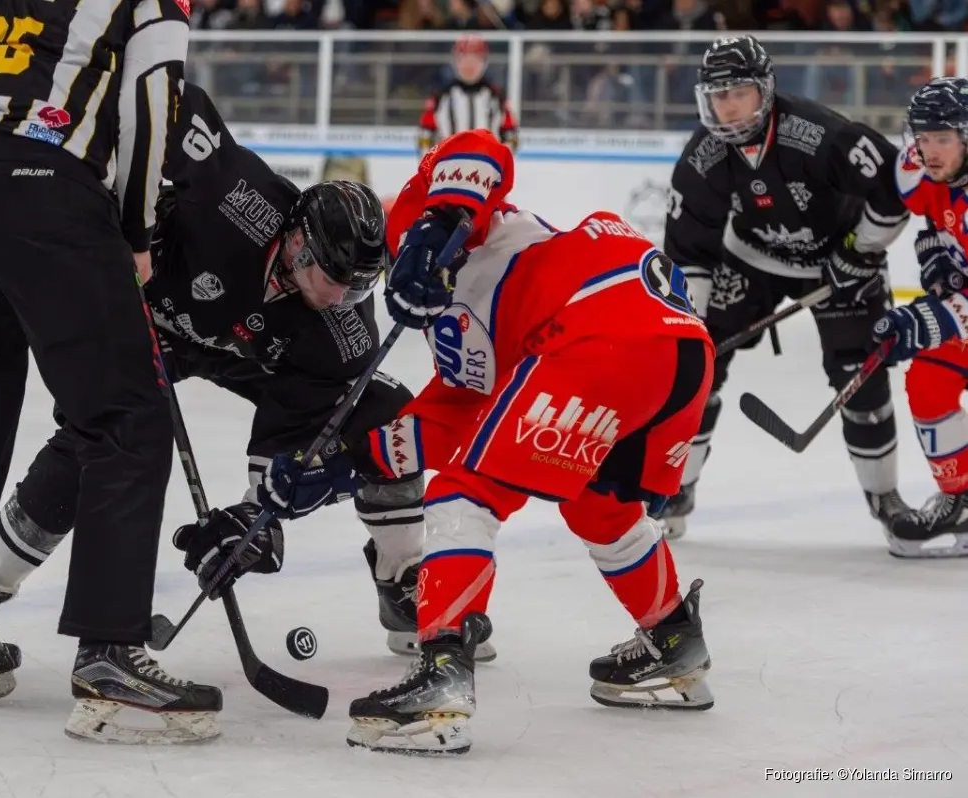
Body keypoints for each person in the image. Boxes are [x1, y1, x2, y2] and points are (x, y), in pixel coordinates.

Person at [0, 80, 499, 734]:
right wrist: (115, 180)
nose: (342, 298)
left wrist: (251, 523)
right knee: (100, 440)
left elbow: (292, 443)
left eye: (359, 287)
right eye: (335, 279)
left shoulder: (336, 332)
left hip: (255, 356)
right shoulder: (236, 195)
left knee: (384, 412)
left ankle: (400, 584)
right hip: (151, 319)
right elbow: (171, 97)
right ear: (298, 239)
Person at [259, 128, 717, 756]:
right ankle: (673, 639)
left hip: (600, 327)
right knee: (598, 503)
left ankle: (441, 677)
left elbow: (479, 148)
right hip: (677, 349)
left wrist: (429, 230)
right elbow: (454, 419)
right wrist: (341, 469)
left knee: (464, 493)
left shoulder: (429, 218)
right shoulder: (461, 322)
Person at [0, 0, 212, 743]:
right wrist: (134, 233)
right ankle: (110, 654)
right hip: (43, 178)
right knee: (127, 416)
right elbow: (147, 107)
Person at [658, 34, 912, 540]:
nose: (726, 107)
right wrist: (692, 335)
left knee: (858, 377)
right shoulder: (704, 156)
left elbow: (893, 187)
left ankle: (885, 498)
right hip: (750, 258)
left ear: (766, 90)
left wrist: (859, 251)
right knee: (698, 367)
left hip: (838, 262)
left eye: (738, 92)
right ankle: (676, 487)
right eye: (717, 94)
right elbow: (689, 253)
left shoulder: (819, 134)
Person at [868, 76, 968, 559]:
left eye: (943, 139)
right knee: (929, 380)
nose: (928, 150)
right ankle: (962, 500)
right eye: (923, 136)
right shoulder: (920, 167)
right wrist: (937, 255)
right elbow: (934, 219)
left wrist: (925, 321)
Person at [417, 34, 518, 157]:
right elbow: (425, 136)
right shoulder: (440, 96)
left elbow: (511, 135)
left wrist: (501, 167)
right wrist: (429, 170)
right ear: (455, 61)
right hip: (447, 171)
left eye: (476, 59)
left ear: (484, 62)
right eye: (463, 58)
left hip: (489, 170)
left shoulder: (497, 97)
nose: (469, 65)